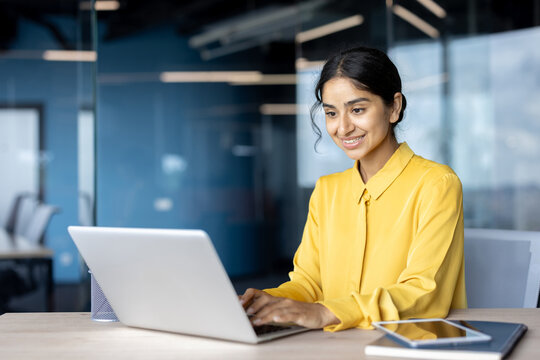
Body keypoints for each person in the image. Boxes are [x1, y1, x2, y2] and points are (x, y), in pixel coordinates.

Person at [240, 46, 467, 332]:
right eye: (331, 113)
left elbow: (424, 293)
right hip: (336, 347)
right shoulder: (326, 191)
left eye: (357, 110)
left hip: (408, 349)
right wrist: (266, 302)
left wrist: (326, 313)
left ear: (394, 107)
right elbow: (309, 284)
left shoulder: (436, 184)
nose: (343, 127)